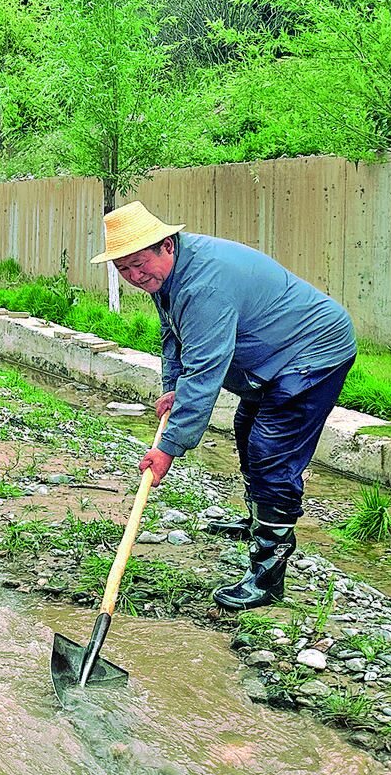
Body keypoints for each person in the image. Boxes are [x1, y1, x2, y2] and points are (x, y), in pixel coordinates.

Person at [91, 202, 356, 610]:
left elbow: (204, 370)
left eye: (140, 265)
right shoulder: (170, 275)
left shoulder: (203, 285)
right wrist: (171, 388)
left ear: (166, 246)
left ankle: (267, 576)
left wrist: (167, 448)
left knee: (271, 452)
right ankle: (259, 520)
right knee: (248, 428)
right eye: (124, 270)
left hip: (313, 352)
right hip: (273, 355)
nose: (135, 277)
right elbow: (173, 337)